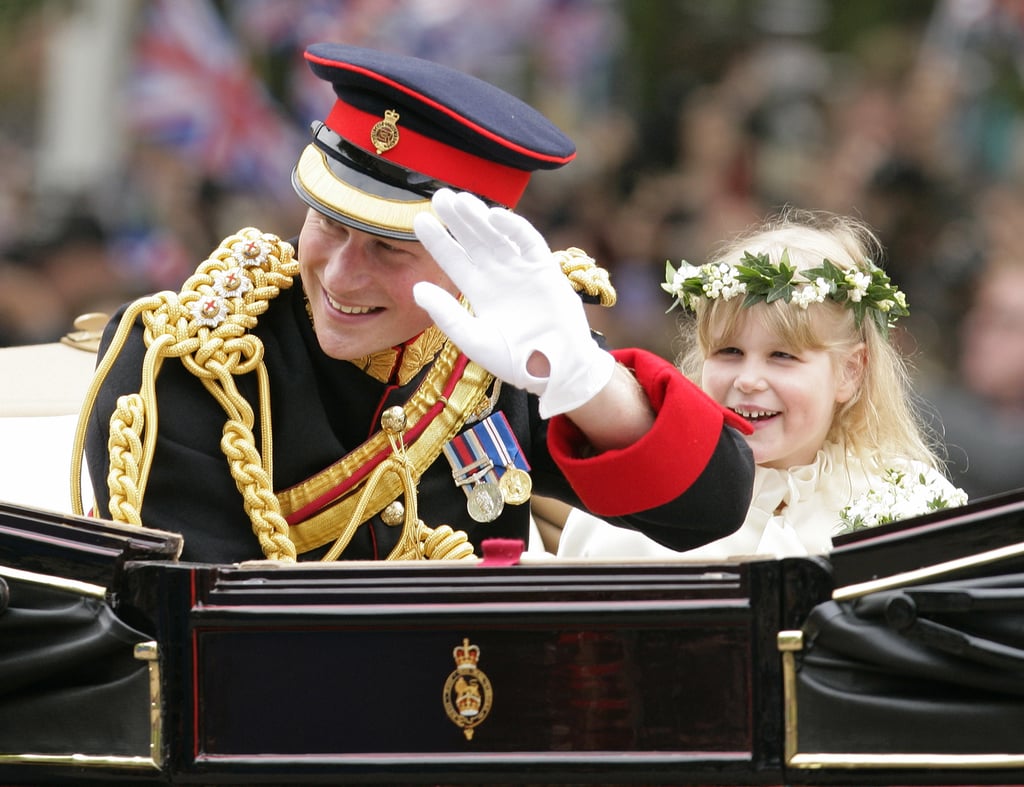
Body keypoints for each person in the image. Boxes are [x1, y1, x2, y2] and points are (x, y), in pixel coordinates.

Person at [73, 43, 755, 564]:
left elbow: (713, 505)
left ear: (472, 261)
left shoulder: (501, 344)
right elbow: (203, 632)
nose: (342, 275)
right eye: (329, 224)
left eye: (389, 248)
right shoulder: (190, 364)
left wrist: (583, 379)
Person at [557, 209, 967, 561]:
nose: (749, 380)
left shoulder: (908, 502)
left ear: (850, 372)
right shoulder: (639, 506)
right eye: (729, 352)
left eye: (783, 356)